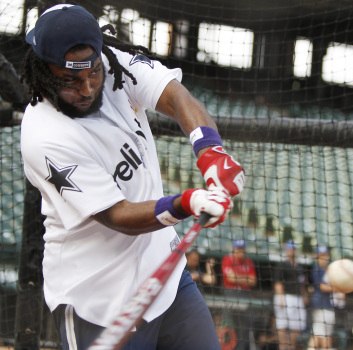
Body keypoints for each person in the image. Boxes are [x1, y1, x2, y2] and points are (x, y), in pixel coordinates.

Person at [20, 4, 245, 350]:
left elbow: (175, 96)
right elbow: (118, 215)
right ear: (44, 72)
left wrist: (211, 152)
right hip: (99, 303)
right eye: (70, 80)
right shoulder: (44, 133)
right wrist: (186, 203)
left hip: (167, 281)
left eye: (92, 72)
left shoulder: (114, 64)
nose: (86, 88)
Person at [221, 239, 257, 350]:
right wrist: (245, 278)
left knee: (244, 326)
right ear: (234, 249)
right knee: (229, 324)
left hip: (244, 295)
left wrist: (238, 277)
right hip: (230, 294)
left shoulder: (248, 261)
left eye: (242, 249)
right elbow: (231, 278)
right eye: (239, 248)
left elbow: (253, 281)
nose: (241, 251)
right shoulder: (228, 259)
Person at [273, 240, 308, 350]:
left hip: (297, 298)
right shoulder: (282, 264)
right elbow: (278, 282)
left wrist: (305, 296)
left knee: (297, 326)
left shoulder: (300, 267)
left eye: (293, 248)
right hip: (286, 297)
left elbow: (302, 283)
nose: (291, 251)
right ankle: (283, 347)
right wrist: (281, 298)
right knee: (282, 326)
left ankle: (291, 347)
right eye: (289, 248)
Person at [307, 246, 335, 350]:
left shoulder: (327, 269)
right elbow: (323, 287)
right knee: (322, 334)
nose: (324, 258)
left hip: (327, 304)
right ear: (317, 257)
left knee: (320, 333)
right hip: (321, 305)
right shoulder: (318, 269)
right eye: (321, 256)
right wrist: (338, 288)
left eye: (325, 255)